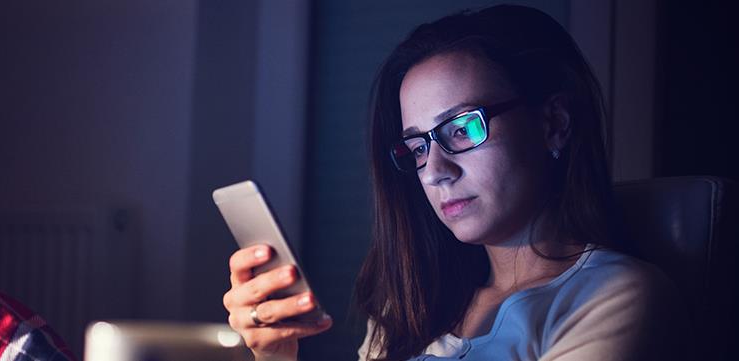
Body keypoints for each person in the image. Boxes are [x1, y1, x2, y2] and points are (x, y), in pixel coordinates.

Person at [222, 5, 688, 361]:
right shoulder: (410, 302)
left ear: (553, 124)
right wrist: (276, 356)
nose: (435, 170)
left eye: (463, 128)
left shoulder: (618, 296)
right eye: (418, 146)